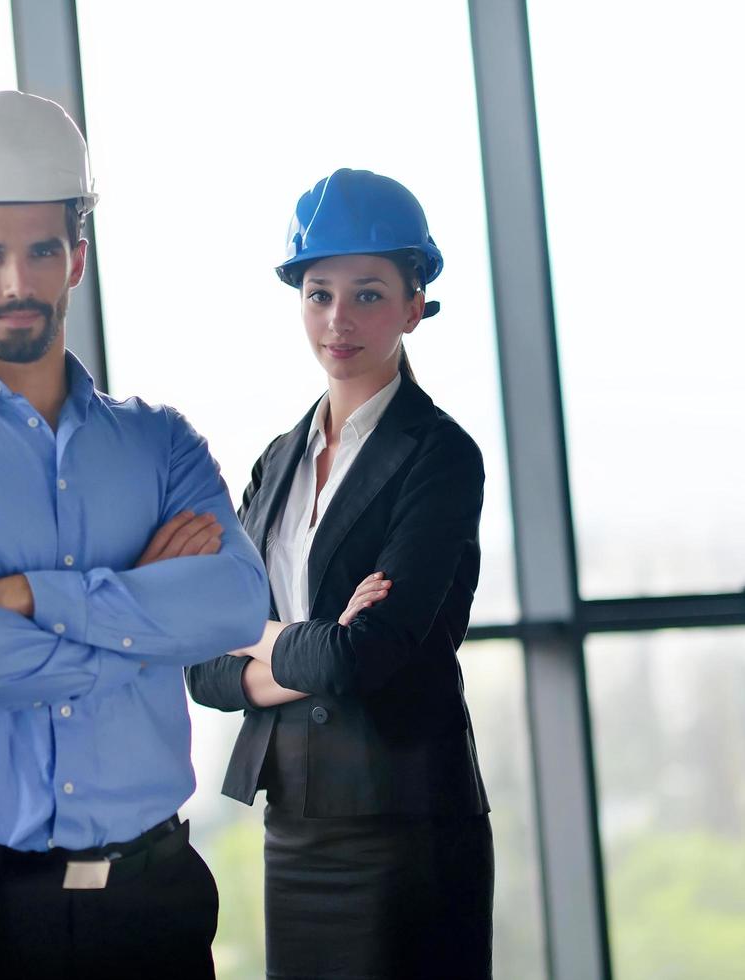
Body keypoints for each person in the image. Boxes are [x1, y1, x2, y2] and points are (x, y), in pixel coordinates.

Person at [0, 91, 270, 980]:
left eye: (40, 251)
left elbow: (234, 602)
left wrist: (32, 598)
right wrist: (139, 634)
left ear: (78, 257)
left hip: (151, 903)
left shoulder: (162, 441)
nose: (16, 283)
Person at [187, 168, 494, 978]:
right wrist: (303, 641)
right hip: (292, 822)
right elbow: (203, 666)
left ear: (414, 305)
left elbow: (367, 655)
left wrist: (257, 639)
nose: (338, 318)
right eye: (319, 293)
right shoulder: (276, 464)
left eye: (367, 294)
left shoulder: (440, 456)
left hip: (406, 825)